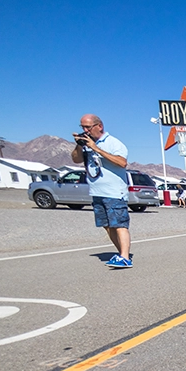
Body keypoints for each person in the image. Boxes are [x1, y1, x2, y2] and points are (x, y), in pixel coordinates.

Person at [71, 114, 132, 268]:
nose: (85, 130)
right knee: (107, 225)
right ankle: (121, 254)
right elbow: (76, 159)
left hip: (114, 192)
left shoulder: (113, 143)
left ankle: (125, 257)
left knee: (120, 225)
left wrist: (96, 148)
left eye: (88, 127)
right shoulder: (87, 144)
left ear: (99, 126)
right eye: (82, 127)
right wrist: (79, 144)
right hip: (97, 191)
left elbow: (122, 162)